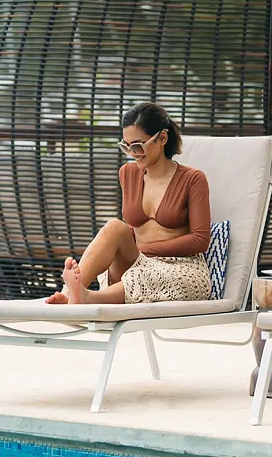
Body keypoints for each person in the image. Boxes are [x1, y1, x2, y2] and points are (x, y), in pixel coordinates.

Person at [46, 102, 212, 306]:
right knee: (114, 226)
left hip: (180, 267)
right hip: (139, 261)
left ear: (162, 138)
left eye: (138, 145)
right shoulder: (128, 173)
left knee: (143, 276)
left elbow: (200, 240)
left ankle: (86, 297)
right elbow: (131, 230)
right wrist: (132, 249)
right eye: (126, 145)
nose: (132, 153)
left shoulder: (193, 179)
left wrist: (145, 249)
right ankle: (69, 293)